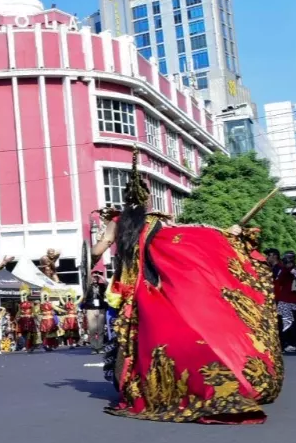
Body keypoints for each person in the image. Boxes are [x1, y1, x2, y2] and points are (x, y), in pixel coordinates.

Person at [94, 150, 282, 423]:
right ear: (146, 200)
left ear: (125, 199)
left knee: (134, 342)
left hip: (128, 292)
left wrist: (89, 259)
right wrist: (225, 235)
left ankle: (142, 388)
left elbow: (99, 249)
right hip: (151, 287)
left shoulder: (117, 222)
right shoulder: (153, 223)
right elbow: (188, 238)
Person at [274, 251, 296, 354]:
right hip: (285, 300)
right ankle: (286, 344)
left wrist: (292, 270)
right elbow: (279, 281)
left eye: (290, 258)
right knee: (286, 324)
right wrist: (286, 268)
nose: (289, 260)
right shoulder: (283, 269)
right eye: (286, 258)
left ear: (294, 259)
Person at [80, 271, 109, 353]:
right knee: (92, 329)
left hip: (100, 308)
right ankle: (93, 347)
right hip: (90, 309)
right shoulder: (88, 287)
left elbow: (108, 284)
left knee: (100, 329)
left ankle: (99, 347)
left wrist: (100, 276)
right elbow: (85, 291)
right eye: (93, 277)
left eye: (96, 277)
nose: (95, 278)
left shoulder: (101, 286)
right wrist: (90, 280)